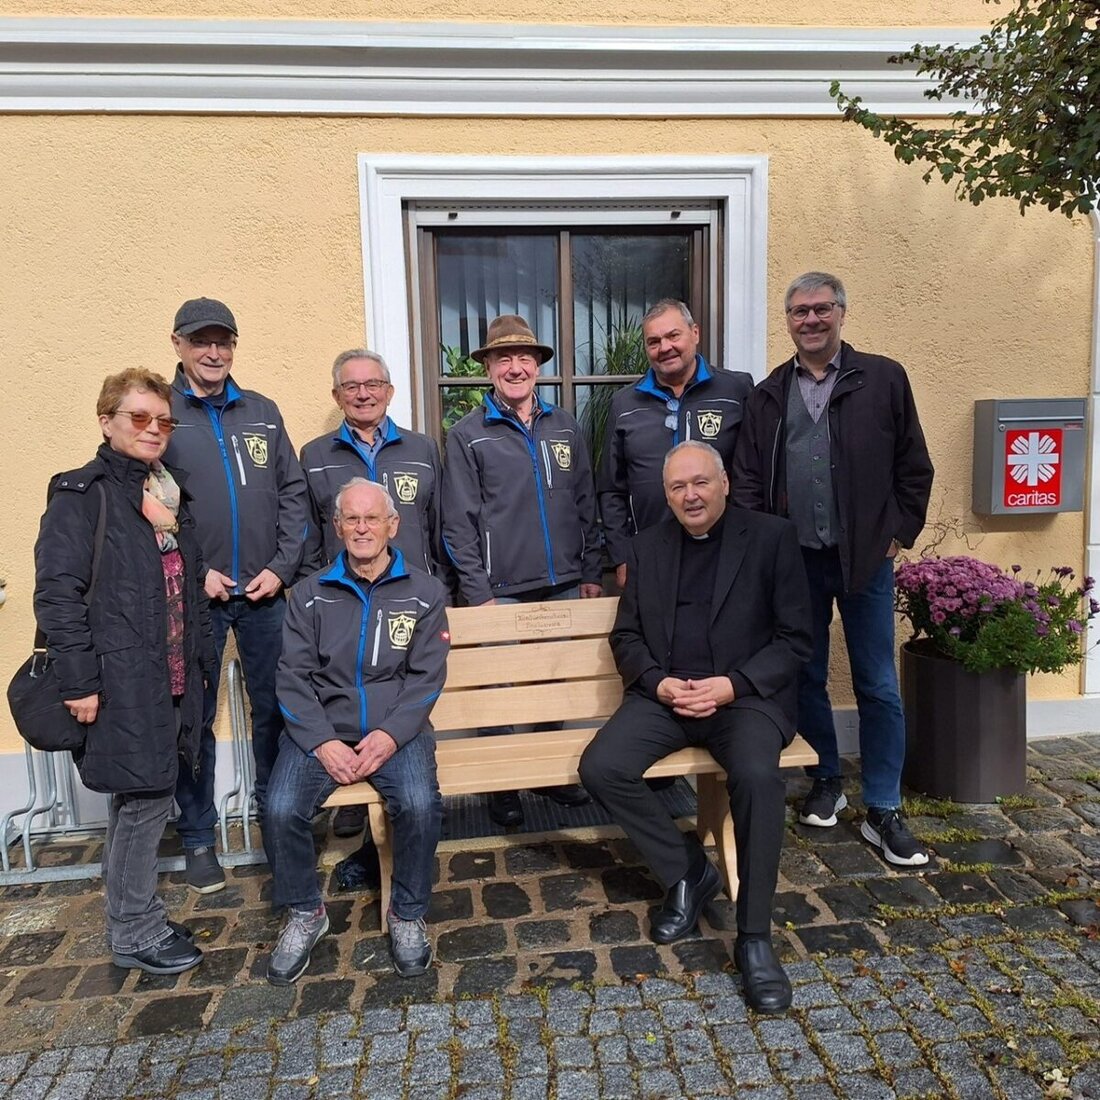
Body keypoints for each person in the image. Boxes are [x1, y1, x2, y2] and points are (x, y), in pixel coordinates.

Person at [579, 441, 812, 1014]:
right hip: (668, 697)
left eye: (700, 482)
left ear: (724, 483)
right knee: (602, 767)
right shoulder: (647, 548)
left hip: (743, 699)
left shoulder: (771, 538)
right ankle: (687, 871)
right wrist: (657, 683)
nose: (690, 496)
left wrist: (732, 685)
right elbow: (626, 636)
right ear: (666, 495)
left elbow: (796, 640)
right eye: (678, 487)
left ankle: (754, 938)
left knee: (757, 778)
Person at [731, 271, 935, 866]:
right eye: (800, 312)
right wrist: (764, 548)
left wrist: (897, 535)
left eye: (821, 309)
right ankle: (825, 777)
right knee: (804, 673)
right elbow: (747, 479)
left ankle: (884, 806)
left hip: (865, 559)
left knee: (878, 683)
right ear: (788, 321)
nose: (811, 320)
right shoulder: (769, 394)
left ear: (842, 313)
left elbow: (914, 465)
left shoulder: (883, 379)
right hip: (795, 561)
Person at [33, 368, 213, 975]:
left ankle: (131, 916)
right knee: (146, 800)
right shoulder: (83, 496)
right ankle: (135, 931)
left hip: (169, 677)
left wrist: (201, 664)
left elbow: (187, 587)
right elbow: (57, 596)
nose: (153, 429)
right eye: (139, 417)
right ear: (106, 421)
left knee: (139, 798)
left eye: (163, 420)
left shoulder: (169, 496)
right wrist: (79, 682)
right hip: (120, 681)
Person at [265, 478, 448, 983]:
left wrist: (390, 736)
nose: (362, 528)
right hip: (322, 730)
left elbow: (426, 678)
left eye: (372, 518)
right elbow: (292, 678)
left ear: (393, 525)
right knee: (279, 808)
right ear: (337, 526)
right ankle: (306, 912)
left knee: (420, 805)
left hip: (396, 731)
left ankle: (407, 913)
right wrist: (323, 742)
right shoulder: (308, 595)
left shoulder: (425, 593)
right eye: (352, 518)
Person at [164, 297, 311, 893]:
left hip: (264, 593)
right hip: (195, 596)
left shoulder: (263, 412)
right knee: (192, 716)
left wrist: (281, 567)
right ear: (177, 345)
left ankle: (279, 822)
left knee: (277, 708)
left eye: (222, 341)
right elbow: (149, 504)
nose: (213, 352)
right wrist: (194, 570)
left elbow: (294, 494)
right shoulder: (163, 414)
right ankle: (198, 836)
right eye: (201, 341)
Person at [442, 314, 602, 827]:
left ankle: (549, 772)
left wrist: (591, 571)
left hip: (565, 584)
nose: (515, 367)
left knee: (555, 681)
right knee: (498, 690)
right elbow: (457, 522)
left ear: (538, 366)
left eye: (524, 358)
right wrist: (478, 592)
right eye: (503, 358)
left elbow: (586, 502)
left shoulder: (565, 426)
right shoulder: (467, 435)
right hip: (500, 590)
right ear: (488, 367)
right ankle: (501, 782)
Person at [300, 347, 450, 839]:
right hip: (344, 605)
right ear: (336, 395)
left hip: (411, 605)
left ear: (390, 391)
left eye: (373, 385)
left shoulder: (423, 449)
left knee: (400, 700)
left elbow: (440, 527)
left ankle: (397, 785)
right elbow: (309, 537)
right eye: (351, 386)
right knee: (348, 691)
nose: (363, 394)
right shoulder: (315, 456)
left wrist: (445, 590)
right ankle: (351, 796)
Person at [599, 299, 754, 590]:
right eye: (654, 341)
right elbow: (611, 489)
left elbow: (752, 474)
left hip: (726, 554)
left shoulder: (736, 390)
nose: (665, 347)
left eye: (673, 336)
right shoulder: (624, 404)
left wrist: (752, 545)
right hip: (651, 555)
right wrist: (622, 556)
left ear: (695, 333)